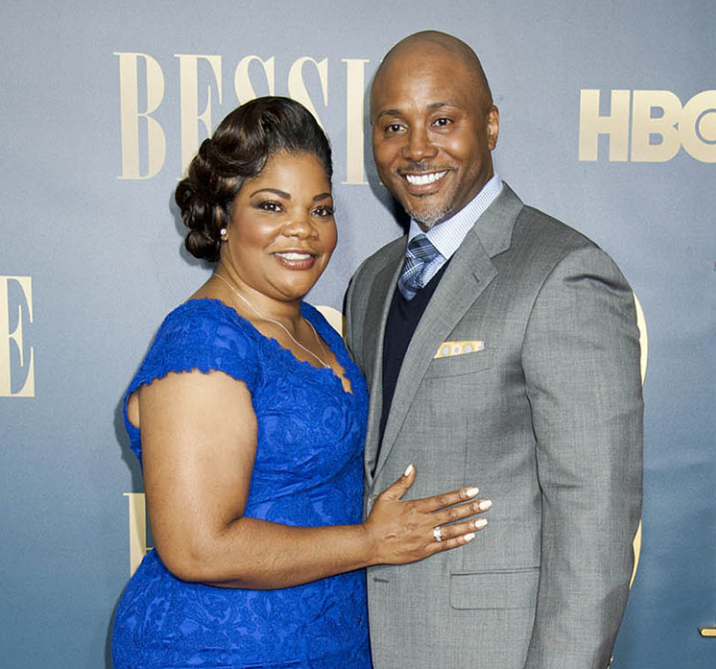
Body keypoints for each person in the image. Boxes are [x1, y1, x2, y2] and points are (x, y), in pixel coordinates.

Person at [111, 96, 489, 669]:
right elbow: (197, 547)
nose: (302, 232)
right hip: (218, 649)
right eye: (271, 205)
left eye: (320, 209)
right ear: (222, 217)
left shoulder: (311, 323)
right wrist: (372, 541)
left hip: (328, 639)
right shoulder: (204, 339)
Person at [345, 31, 644, 669]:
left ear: (491, 126)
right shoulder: (370, 281)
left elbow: (595, 511)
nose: (416, 148)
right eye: (393, 125)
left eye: (443, 120)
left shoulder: (563, 271)